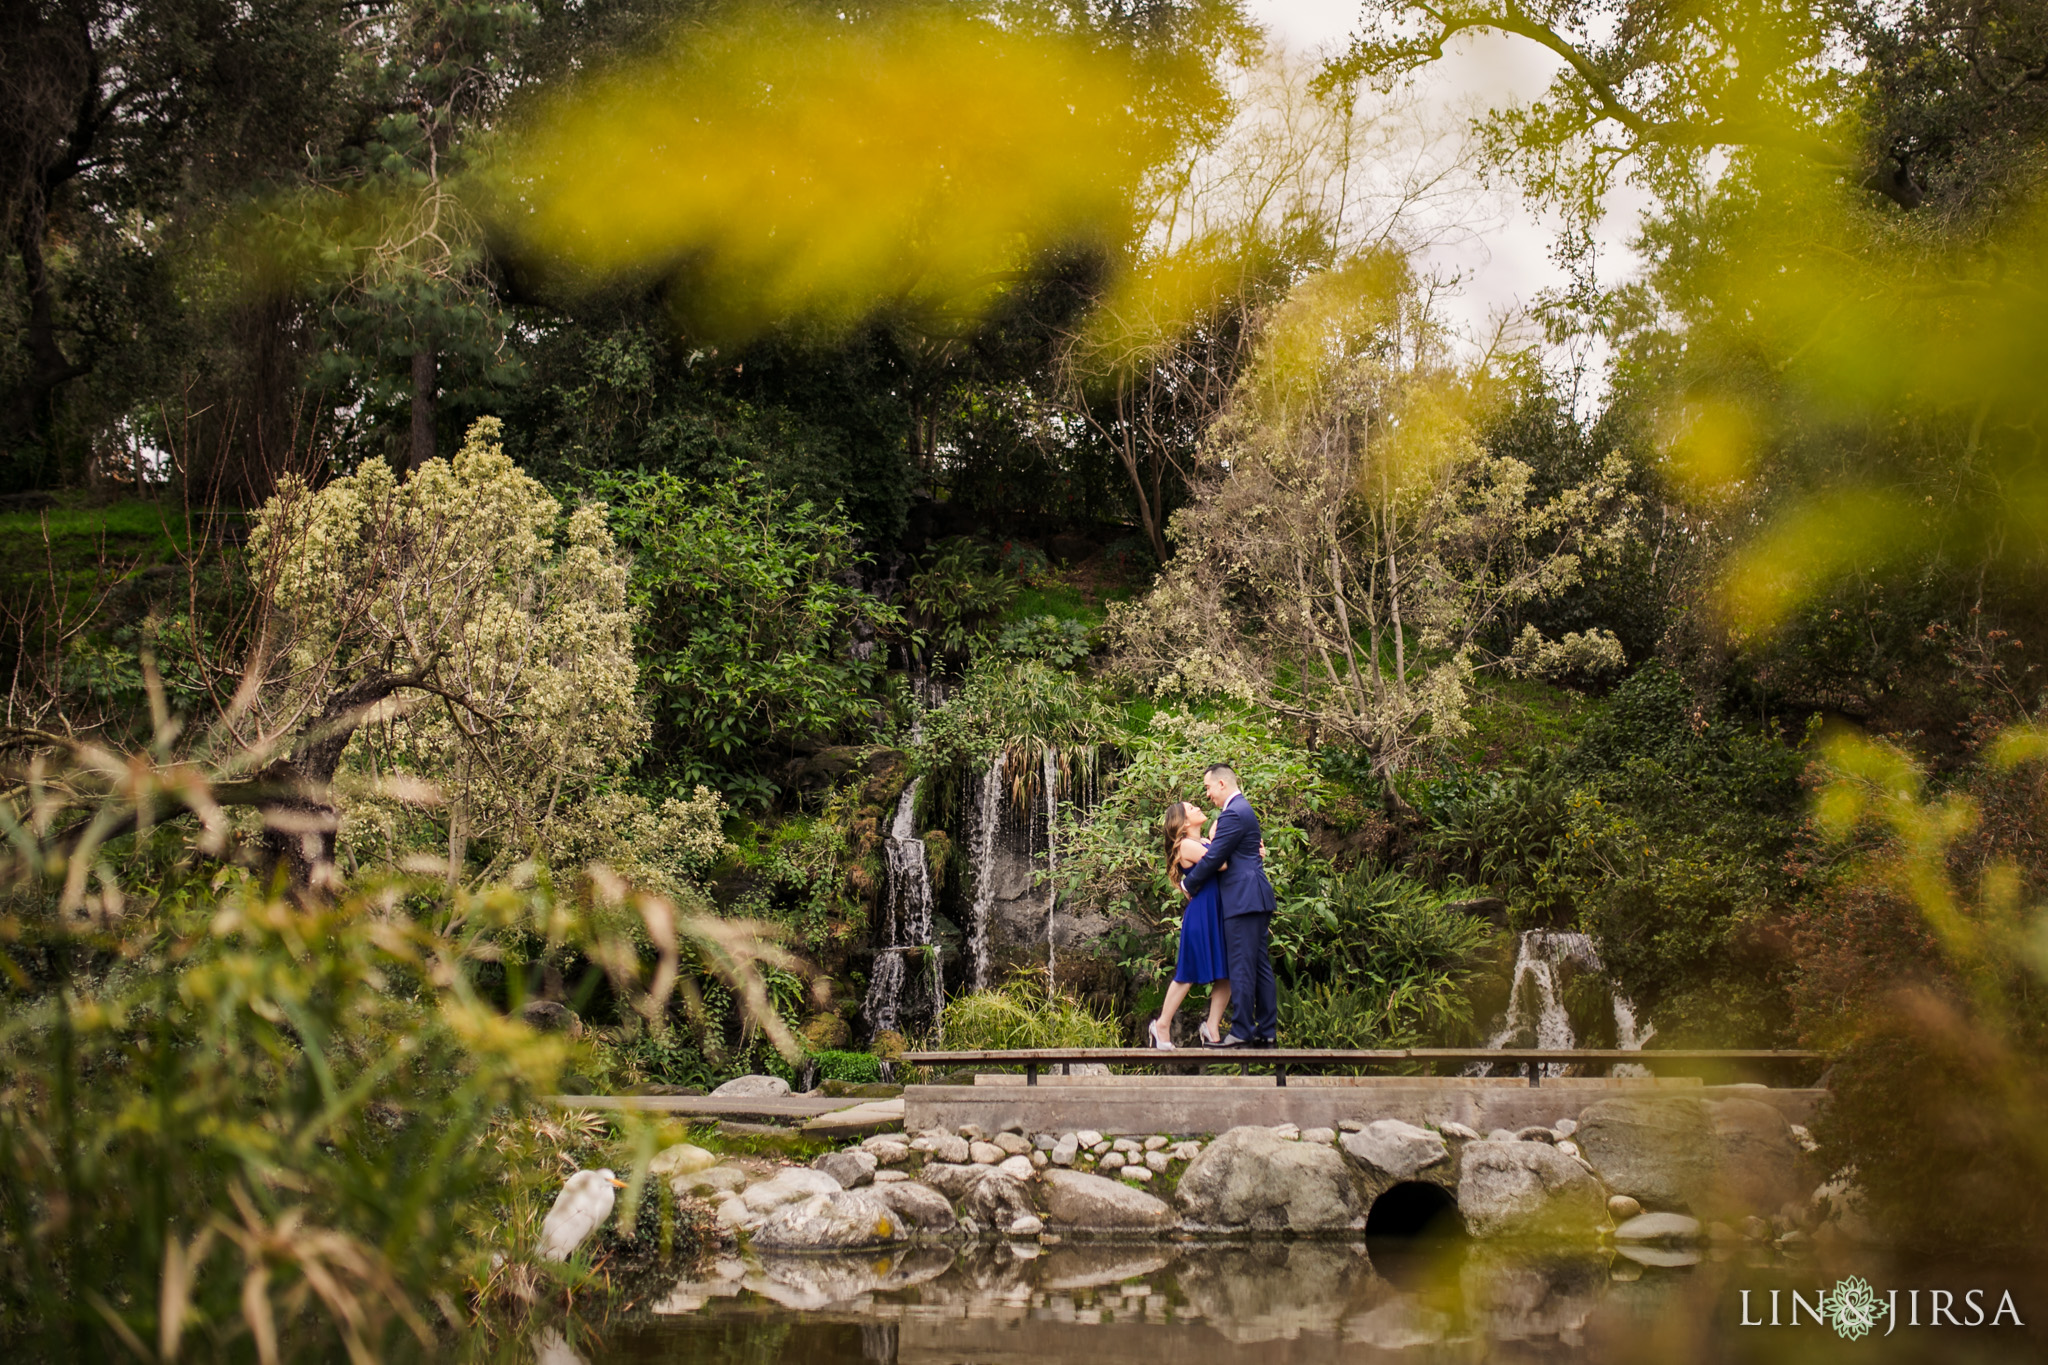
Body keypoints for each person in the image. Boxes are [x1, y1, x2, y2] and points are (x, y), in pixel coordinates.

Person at [1180, 763, 1278, 1047]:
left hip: (1243, 899)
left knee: (1242, 966)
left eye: (1208, 788)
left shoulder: (1234, 813)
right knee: (1259, 965)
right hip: (1253, 897)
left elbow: (1213, 859)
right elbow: (1228, 851)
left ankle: (1242, 1031)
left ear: (1222, 784)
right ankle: (1267, 1031)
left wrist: (1188, 884)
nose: (1207, 794)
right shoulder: (1240, 811)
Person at [1147, 801, 1232, 1048]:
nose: (1197, 807)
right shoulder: (1186, 845)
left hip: (1216, 912)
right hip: (1201, 915)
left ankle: (1212, 1025)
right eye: (1191, 808)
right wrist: (1218, 838)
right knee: (1187, 973)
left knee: (1226, 973)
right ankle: (1161, 1024)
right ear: (1184, 822)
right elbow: (1222, 863)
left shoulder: (1203, 841)